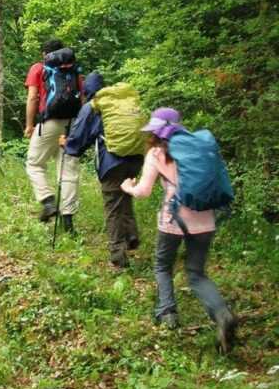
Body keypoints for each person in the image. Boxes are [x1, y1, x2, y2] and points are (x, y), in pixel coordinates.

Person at [121, 108, 237, 352]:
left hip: (173, 220)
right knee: (196, 273)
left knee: (163, 265)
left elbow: (143, 191)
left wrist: (128, 187)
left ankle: (167, 314)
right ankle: (221, 313)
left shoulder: (156, 153)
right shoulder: (198, 148)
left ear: (156, 131)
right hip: (205, 219)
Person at [62, 72, 143, 267]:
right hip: (136, 157)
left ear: (86, 90)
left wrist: (67, 145)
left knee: (113, 206)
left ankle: (118, 256)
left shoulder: (93, 106)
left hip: (112, 161)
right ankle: (131, 236)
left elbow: (79, 138)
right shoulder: (118, 102)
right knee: (125, 195)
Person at [25, 39, 81, 230]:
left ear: (45, 54)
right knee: (68, 169)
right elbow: (81, 98)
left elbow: (33, 97)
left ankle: (48, 202)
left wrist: (29, 124)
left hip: (49, 123)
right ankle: (68, 221)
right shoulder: (74, 71)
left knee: (34, 163)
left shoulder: (39, 68)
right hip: (72, 123)